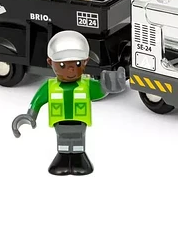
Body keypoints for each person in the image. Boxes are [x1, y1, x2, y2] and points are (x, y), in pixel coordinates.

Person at [12, 30, 126, 175]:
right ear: (50, 62)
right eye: (62, 65)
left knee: (78, 140)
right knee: (63, 140)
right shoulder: (49, 87)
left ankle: (79, 159)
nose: (71, 69)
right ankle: (63, 158)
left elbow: (100, 91)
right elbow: (38, 101)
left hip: (79, 121)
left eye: (77, 63)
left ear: (85, 62)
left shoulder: (87, 85)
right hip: (60, 122)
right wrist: (30, 115)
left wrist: (108, 85)